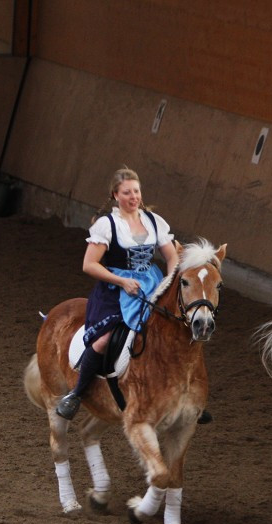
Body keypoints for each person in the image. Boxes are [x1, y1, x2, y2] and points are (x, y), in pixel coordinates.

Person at [54, 167, 179, 420]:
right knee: (103, 340)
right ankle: (77, 393)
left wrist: (171, 282)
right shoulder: (107, 225)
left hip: (152, 285)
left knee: (175, 329)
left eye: (136, 191)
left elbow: (171, 256)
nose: (133, 197)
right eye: (127, 192)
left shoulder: (154, 221)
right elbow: (89, 265)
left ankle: (184, 395)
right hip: (115, 289)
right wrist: (122, 281)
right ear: (115, 195)